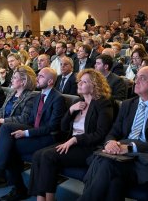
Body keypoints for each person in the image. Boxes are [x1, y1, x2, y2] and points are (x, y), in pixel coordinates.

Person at [78, 66, 148, 201]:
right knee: (114, 182)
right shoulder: (127, 104)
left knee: (104, 163)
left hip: (142, 159)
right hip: (120, 156)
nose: (136, 81)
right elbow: (114, 132)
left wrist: (129, 147)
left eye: (142, 78)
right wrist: (110, 142)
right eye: (136, 77)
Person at [0, 68, 65, 201]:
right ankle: (16, 186)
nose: (37, 78)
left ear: (50, 81)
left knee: (9, 141)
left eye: (41, 76)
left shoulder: (57, 98)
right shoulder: (40, 95)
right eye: (38, 75)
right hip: (35, 132)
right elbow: (30, 120)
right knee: (7, 137)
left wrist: (26, 132)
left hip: (48, 137)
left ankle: (5, 177)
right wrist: (23, 130)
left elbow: (52, 127)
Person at [29, 69, 113, 201]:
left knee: (48, 156)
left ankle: (48, 199)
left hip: (88, 147)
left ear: (95, 85)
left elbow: (100, 134)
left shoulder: (103, 103)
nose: (79, 84)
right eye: (79, 81)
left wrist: (75, 139)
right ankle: (41, 197)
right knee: (38, 155)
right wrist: (70, 110)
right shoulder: (77, 103)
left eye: (84, 82)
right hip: (71, 143)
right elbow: (63, 127)